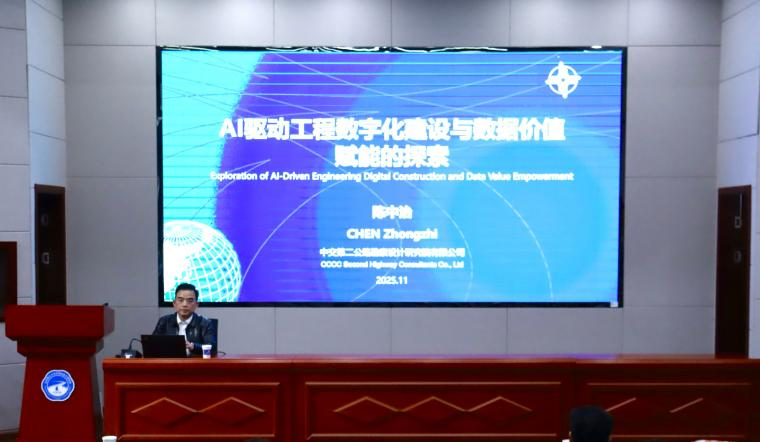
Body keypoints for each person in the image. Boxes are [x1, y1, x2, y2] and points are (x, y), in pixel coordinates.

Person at [153, 282, 217, 356]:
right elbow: (152, 346)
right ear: (174, 303)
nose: (185, 304)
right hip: (170, 362)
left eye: (190, 301)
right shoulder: (164, 321)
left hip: (195, 362)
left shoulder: (205, 323)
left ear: (196, 304)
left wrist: (193, 347)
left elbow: (212, 349)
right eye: (180, 300)